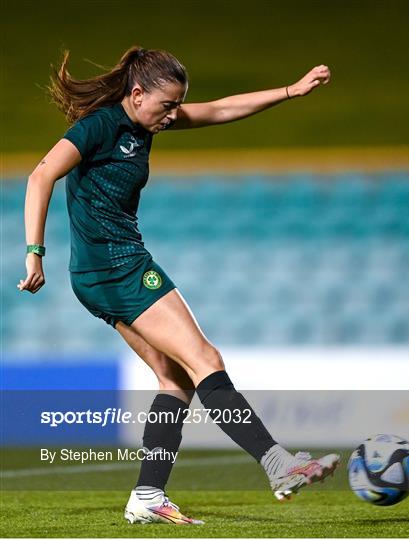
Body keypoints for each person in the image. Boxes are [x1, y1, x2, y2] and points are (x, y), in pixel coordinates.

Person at [18, 46, 339, 525]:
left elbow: (221, 109)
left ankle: (147, 495)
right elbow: (41, 174)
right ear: (138, 93)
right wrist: (34, 251)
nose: (172, 116)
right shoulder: (99, 127)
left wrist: (290, 91)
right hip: (118, 266)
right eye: (167, 105)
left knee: (175, 380)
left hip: (97, 273)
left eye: (176, 106)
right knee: (205, 360)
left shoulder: (147, 120)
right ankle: (277, 464)